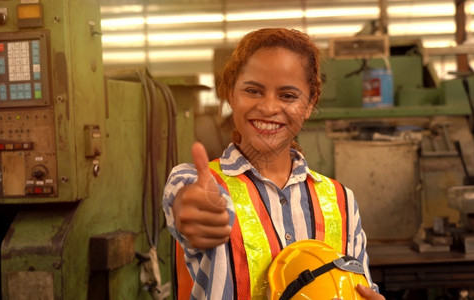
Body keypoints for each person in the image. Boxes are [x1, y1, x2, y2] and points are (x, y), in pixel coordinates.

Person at [162, 27, 384, 300]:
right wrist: (196, 211)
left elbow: (356, 288)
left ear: (310, 102)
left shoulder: (342, 201)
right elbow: (185, 203)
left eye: (288, 96)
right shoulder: (198, 183)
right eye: (253, 91)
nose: (268, 108)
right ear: (231, 94)